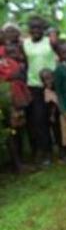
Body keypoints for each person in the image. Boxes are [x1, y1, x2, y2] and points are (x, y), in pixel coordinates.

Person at [23, 16, 57, 165]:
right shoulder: (25, 44)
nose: (36, 30)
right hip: (35, 85)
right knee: (40, 120)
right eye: (33, 28)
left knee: (57, 117)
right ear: (29, 30)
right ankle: (47, 152)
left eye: (39, 28)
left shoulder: (49, 41)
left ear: (43, 29)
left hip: (52, 84)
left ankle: (63, 149)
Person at [0, 44, 30, 172]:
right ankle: (15, 163)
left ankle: (19, 162)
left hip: (15, 99)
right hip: (4, 101)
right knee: (9, 132)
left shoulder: (11, 62)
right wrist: (9, 77)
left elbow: (18, 75)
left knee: (18, 129)